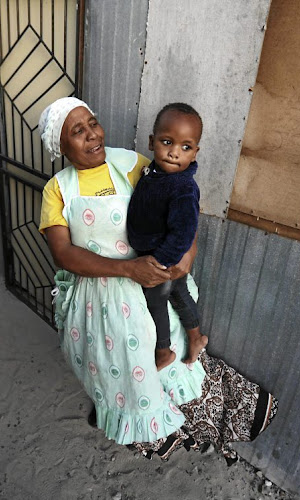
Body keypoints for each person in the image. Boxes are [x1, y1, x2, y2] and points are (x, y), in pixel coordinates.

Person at [38, 97, 277, 461]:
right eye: (78, 131)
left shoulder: (132, 163)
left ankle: (191, 422)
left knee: (168, 353)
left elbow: (180, 199)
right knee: (115, 362)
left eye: (93, 123)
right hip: (100, 292)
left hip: (152, 279)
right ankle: (139, 425)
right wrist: (126, 269)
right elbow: (64, 254)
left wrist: (189, 250)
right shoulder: (58, 189)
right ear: (61, 146)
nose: (92, 134)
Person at [127, 103, 209, 371]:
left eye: (186, 147)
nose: (174, 153)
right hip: (157, 253)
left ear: (195, 152)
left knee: (156, 299)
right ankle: (196, 338)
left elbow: (184, 231)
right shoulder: (154, 171)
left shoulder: (183, 188)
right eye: (167, 142)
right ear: (152, 142)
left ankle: (163, 351)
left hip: (162, 259)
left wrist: (160, 263)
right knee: (180, 293)